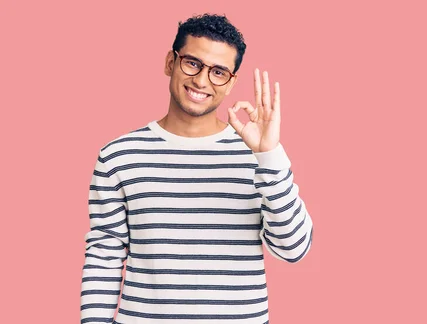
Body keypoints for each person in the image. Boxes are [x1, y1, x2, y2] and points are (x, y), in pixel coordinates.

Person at [80, 13, 313, 324]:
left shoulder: (256, 156)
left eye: (218, 72)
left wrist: (269, 155)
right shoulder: (118, 156)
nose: (202, 81)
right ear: (170, 62)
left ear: (231, 83)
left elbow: (293, 249)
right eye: (193, 63)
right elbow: (104, 260)